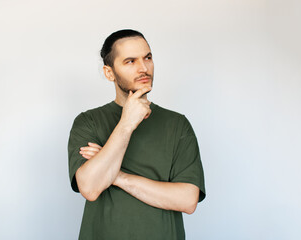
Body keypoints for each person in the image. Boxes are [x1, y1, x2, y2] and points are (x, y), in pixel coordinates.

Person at [68, 29, 206, 240]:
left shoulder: (177, 124)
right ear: (109, 73)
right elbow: (90, 188)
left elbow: (187, 200)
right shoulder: (88, 122)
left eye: (148, 58)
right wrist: (126, 124)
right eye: (130, 61)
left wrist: (117, 176)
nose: (143, 68)